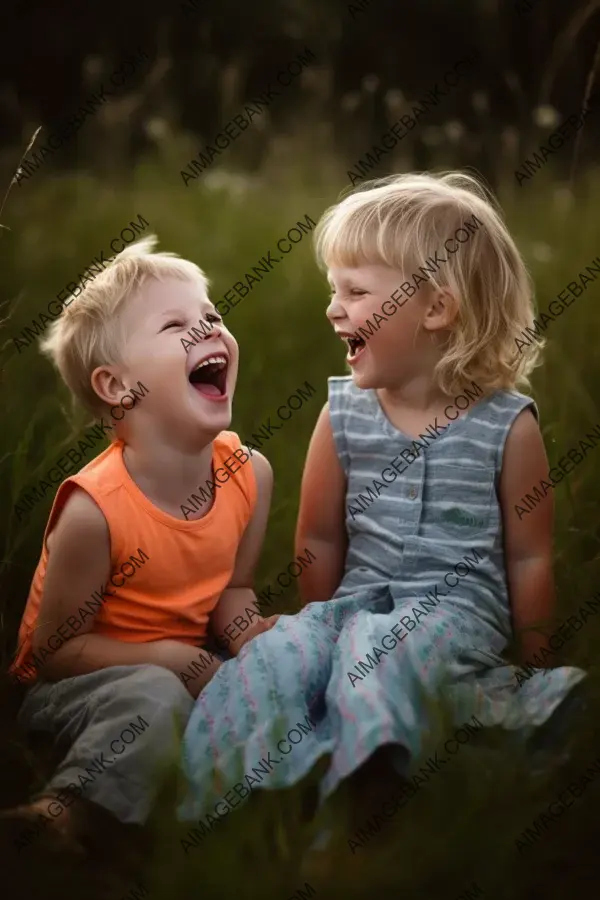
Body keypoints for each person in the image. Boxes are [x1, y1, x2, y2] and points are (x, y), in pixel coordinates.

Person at [179, 172, 586, 835]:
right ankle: (245, 788)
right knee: (274, 658)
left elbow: (530, 553)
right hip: (355, 602)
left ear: (436, 310)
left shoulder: (507, 425)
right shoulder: (344, 413)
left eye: (355, 292)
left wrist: (534, 647)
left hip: (453, 613)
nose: (334, 310)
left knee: (387, 648)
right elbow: (320, 537)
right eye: (333, 291)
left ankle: (366, 793)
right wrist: (318, 626)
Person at [1, 236, 276, 860]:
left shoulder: (248, 474)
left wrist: (253, 637)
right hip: (77, 687)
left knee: (270, 682)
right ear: (119, 386)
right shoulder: (94, 511)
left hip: (182, 667)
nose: (207, 328)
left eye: (211, 316)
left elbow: (231, 593)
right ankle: (62, 815)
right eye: (177, 324)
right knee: (152, 701)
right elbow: (53, 652)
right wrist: (172, 662)